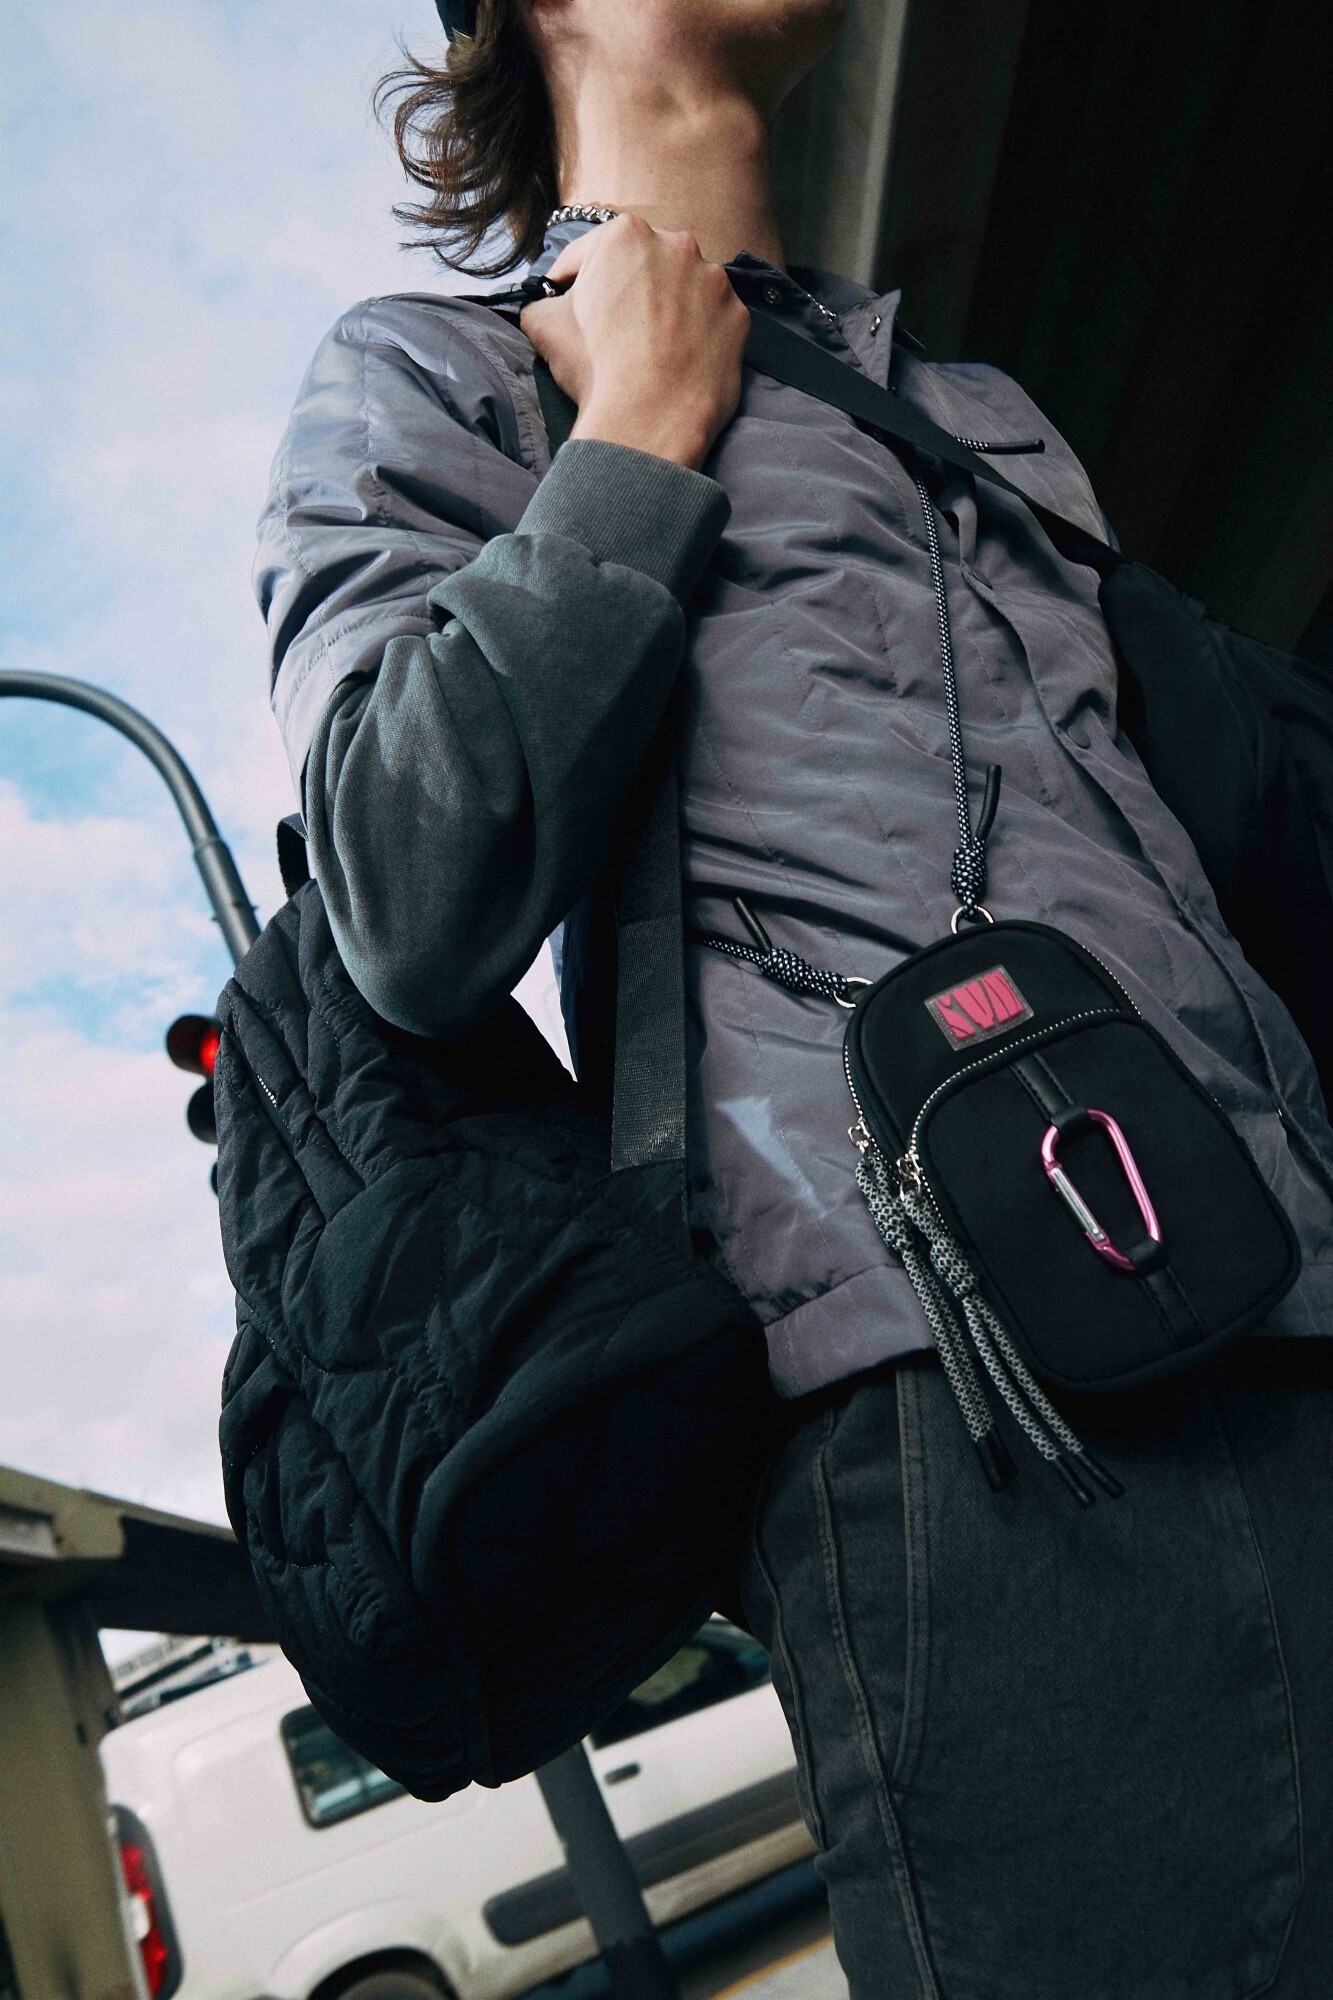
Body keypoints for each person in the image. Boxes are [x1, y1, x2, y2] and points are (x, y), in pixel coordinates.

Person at [254, 1, 1333, 1991]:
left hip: (1294, 1280)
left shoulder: (972, 402)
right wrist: (634, 432)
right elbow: (403, 887)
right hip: (951, 1402)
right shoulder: (429, 372)